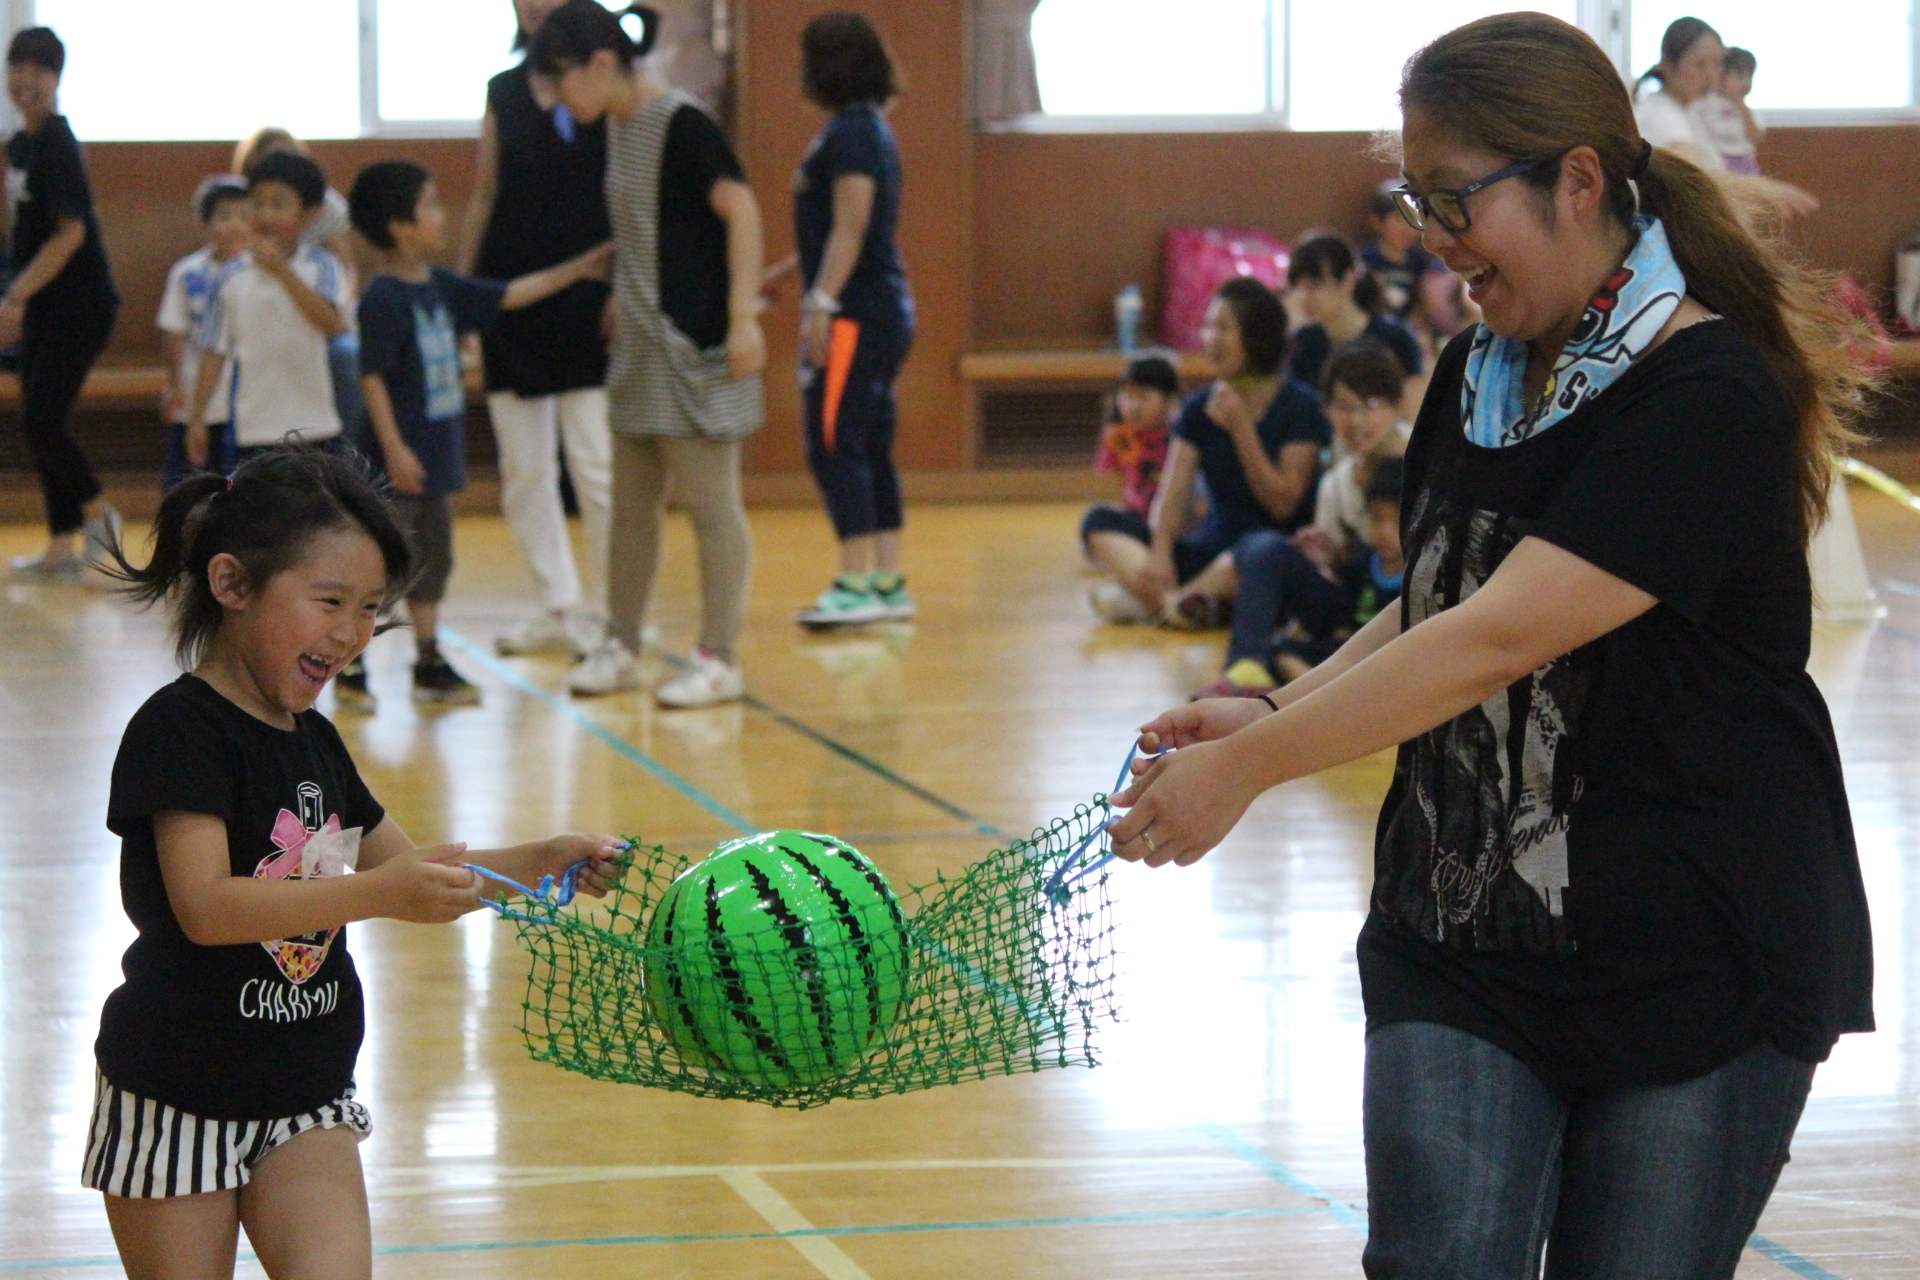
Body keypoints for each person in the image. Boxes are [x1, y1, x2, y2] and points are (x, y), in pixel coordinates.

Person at [1107, 13, 1875, 1276]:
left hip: (1698, 957)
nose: (1430, 235)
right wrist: (1281, 704)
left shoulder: (1706, 399)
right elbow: (1450, 593)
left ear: (1579, 179)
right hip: (1462, 935)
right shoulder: (1476, 367)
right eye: (1419, 197)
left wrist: (1254, 769)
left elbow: (1502, 637)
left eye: (1457, 197)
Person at [88, 447, 620, 1276]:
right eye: (329, 600)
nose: (351, 632)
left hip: (306, 1098)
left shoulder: (317, 743)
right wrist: (376, 895)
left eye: (370, 608)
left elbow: (424, 877)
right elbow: (207, 907)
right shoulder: (179, 731)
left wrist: (541, 859)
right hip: (176, 1089)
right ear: (231, 585)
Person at [531, 1, 768, 707]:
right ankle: (622, 643)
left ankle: (718, 657)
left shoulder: (684, 125)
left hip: (693, 348)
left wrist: (742, 317)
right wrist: (620, 294)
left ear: (601, 64)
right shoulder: (617, 127)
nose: (559, 100)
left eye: (562, 82)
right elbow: (649, 230)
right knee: (630, 510)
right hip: (636, 347)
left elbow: (743, 212)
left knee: (711, 509)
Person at [348, 159, 613, 710]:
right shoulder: (382, 299)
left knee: (431, 565)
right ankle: (351, 661)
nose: (442, 215)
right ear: (399, 226)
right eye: (431, 205)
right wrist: (393, 448)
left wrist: (577, 270)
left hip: (434, 462)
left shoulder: (440, 287)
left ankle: (428, 658)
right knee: (380, 567)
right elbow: (371, 377)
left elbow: (509, 295)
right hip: (395, 466)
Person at [460, 0, 617, 661]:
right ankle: (557, 603)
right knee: (526, 469)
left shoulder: (606, 91)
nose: (533, 6)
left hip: (590, 294)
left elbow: (627, 191)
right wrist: (465, 297)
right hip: (515, 296)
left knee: (596, 464)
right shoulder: (502, 90)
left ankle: (613, 613)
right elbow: (486, 193)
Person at [1080, 277, 1329, 629]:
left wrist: (1241, 428)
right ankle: (1187, 605)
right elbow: (1173, 491)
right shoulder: (1199, 407)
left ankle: (1163, 607)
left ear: (1257, 337)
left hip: (1266, 554)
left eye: (1222, 327)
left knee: (1259, 552)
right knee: (1099, 521)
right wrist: (1161, 553)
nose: (1209, 338)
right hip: (1210, 550)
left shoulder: (1301, 407)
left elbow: (1283, 503)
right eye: (1208, 326)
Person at [787, 11, 918, 628]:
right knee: (869, 441)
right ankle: (887, 579)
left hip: (857, 317)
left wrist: (822, 303)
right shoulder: (864, 129)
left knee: (836, 439)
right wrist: (794, 275)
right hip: (876, 307)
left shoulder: (852, 135)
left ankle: (855, 579)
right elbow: (839, 231)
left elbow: (852, 224)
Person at [1197, 341, 1411, 696]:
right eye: (1344, 407)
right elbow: (1339, 571)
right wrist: (1323, 557)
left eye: (1371, 406)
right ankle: (1245, 669)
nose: (1357, 420)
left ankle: (1323, 686)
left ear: (1396, 407)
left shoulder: (1426, 462)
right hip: (1356, 609)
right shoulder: (1337, 481)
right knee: (1263, 548)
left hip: (1409, 614)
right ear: (1326, 410)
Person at [2, 27, 123, 582]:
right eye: (18, 67)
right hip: (47, 304)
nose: (27, 80)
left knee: (43, 417)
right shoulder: (19, 147)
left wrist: (16, 295)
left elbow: (71, 233)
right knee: (36, 420)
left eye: (42, 69)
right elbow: (22, 232)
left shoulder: (56, 140)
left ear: (57, 79)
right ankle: (60, 546)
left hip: (82, 302)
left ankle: (102, 515)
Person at [189, 152, 350, 463]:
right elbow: (213, 352)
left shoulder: (322, 266)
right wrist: (197, 418)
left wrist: (282, 271)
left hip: (317, 425)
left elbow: (330, 323)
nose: (265, 215)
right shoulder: (230, 277)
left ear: (310, 214)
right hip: (255, 429)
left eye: (278, 204)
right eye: (257, 203)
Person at [232, 127, 364, 444]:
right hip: (260, 322)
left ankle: (347, 448)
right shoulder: (239, 206)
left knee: (344, 358)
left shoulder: (322, 232)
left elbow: (346, 269)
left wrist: (341, 305)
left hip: (318, 304)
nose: (266, 213)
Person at [1265, 456, 1405, 687]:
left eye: (1398, 522)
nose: (1386, 532)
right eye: (1377, 520)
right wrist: (1326, 562)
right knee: (1280, 650)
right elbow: (1339, 610)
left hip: (1387, 662)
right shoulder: (1363, 563)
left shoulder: (1421, 575)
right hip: (1349, 653)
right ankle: (1317, 693)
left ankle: (1325, 693)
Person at [157, 177, 250, 491]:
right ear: (205, 223)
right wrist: (174, 385)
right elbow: (173, 330)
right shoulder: (187, 273)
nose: (235, 226)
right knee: (186, 484)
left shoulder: (260, 275)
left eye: (244, 217)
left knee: (235, 485)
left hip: (244, 399)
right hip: (195, 391)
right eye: (225, 217)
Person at [1084, 354, 1181, 623]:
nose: (1132, 406)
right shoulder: (1119, 438)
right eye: (1127, 397)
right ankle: (1171, 604)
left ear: (1171, 402)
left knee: (1111, 600)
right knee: (1097, 517)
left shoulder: (1182, 435)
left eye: (1144, 397)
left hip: (1175, 530)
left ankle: (1157, 603)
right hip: (1140, 527)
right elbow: (1114, 488)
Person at [1286, 235, 1425, 412]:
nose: (1303, 297)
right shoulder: (1303, 341)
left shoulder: (1396, 338)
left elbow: (1413, 413)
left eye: (1314, 286)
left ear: (1348, 280)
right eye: (1298, 287)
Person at [1361, 184, 1460, 343]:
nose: (1408, 228)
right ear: (1377, 221)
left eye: (1413, 219)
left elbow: (1421, 300)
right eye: (1400, 219)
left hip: (1410, 328)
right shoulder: (1367, 259)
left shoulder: (1418, 259)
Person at [1697, 46, 1762, 176]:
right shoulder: (1707, 101)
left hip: (1744, 161)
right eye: (1739, 75)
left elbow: (1757, 138)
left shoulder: (1745, 109)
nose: (1746, 82)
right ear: (1720, 75)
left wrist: (1743, 111)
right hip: (1718, 159)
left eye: (1750, 76)